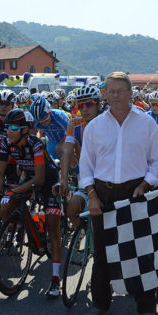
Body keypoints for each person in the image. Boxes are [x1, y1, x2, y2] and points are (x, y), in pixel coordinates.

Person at [79, 71, 158, 315]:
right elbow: (86, 166)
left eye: (120, 90)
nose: (115, 95)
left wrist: (144, 184)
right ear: (104, 93)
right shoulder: (94, 127)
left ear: (130, 93)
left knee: (142, 252)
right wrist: (92, 195)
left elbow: (157, 161)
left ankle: (147, 308)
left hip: (135, 191)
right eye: (111, 91)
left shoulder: (146, 123)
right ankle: (100, 304)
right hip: (102, 194)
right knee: (102, 253)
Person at [0, 109, 63, 297]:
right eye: (8, 127)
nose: (9, 131)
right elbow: (0, 173)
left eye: (14, 128)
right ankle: (23, 224)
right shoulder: (6, 144)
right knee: (5, 206)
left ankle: (55, 279)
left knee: (53, 227)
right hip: (28, 178)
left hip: (48, 181)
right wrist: (0, 194)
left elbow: (40, 180)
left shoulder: (36, 144)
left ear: (25, 130)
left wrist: (13, 191)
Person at [59, 85, 102, 227]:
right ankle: (83, 234)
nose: (84, 109)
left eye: (89, 104)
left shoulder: (107, 122)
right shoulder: (74, 123)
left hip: (105, 178)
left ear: (99, 105)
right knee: (72, 210)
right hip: (87, 177)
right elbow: (67, 151)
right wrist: (63, 178)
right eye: (81, 105)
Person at [30, 95, 70, 161]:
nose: (43, 123)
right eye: (40, 122)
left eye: (45, 120)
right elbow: (31, 135)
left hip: (64, 141)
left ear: (50, 112)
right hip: (51, 143)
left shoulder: (59, 116)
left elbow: (72, 132)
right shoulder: (35, 120)